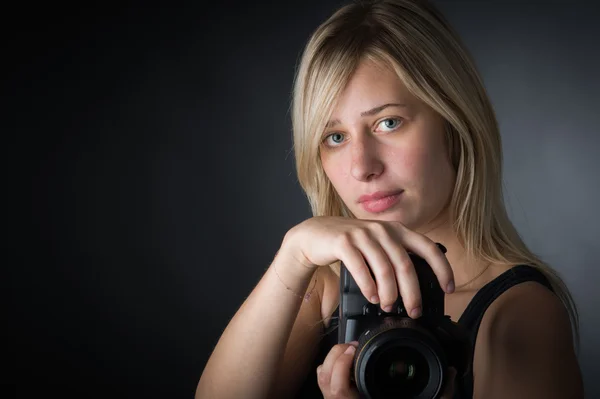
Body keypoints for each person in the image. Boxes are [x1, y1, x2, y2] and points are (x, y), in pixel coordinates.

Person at [195, 0, 584, 398]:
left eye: (388, 122)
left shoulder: (519, 314)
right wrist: (293, 254)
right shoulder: (322, 292)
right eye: (335, 137)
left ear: (453, 123)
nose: (362, 166)